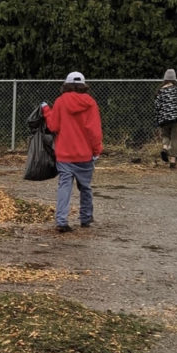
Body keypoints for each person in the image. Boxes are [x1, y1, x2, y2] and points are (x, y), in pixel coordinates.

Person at [41, 71, 103, 233]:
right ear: (84, 85)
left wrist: (46, 110)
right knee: (85, 187)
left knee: (64, 187)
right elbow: (94, 131)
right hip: (85, 155)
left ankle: (61, 221)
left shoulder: (60, 102)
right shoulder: (91, 103)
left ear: (66, 85)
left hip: (64, 154)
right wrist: (96, 151)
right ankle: (86, 218)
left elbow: (53, 126)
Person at [154, 68, 177, 169]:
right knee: (175, 138)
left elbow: (157, 106)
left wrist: (158, 119)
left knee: (165, 135)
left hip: (164, 118)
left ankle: (165, 148)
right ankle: (172, 161)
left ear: (165, 79)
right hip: (176, 118)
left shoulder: (160, 91)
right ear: (174, 79)